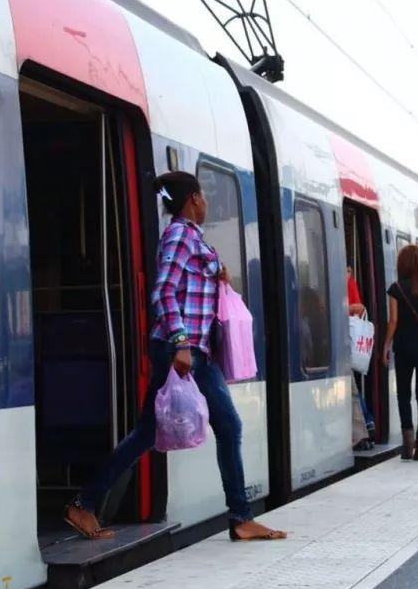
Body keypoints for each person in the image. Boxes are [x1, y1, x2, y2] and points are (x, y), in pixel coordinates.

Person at [64, 171, 286, 542]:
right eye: (204, 197)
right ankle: (85, 504)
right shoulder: (179, 235)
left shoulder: (194, 239)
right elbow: (164, 291)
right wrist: (180, 342)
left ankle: (240, 517)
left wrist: (219, 279)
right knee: (178, 430)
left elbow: (189, 289)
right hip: (181, 349)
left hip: (198, 350)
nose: (206, 203)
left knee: (201, 427)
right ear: (194, 198)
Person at [382, 244, 418, 462]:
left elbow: (393, 321)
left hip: (404, 347)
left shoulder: (396, 288)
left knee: (404, 394)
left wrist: (386, 346)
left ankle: (407, 446)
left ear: (402, 264)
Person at [347, 265, 376, 449]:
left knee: (351, 389)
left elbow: (359, 308)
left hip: (346, 341)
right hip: (343, 344)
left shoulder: (349, 283)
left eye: (349, 270)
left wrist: (344, 308)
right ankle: (368, 422)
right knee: (352, 389)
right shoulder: (346, 281)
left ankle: (365, 425)